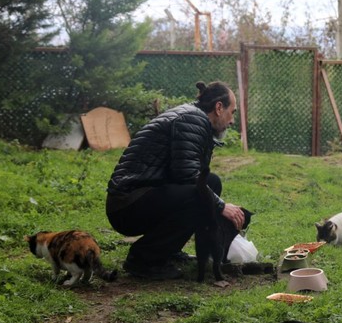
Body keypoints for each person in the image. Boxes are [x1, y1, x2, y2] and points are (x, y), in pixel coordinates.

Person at [106, 81, 247, 279]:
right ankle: (143, 260)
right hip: (127, 204)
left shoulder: (193, 118)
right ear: (218, 108)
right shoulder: (192, 120)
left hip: (138, 198)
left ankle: (167, 251)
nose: (232, 120)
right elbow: (187, 176)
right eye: (232, 112)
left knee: (212, 183)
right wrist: (221, 205)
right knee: (200, 195)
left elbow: (186, 175)